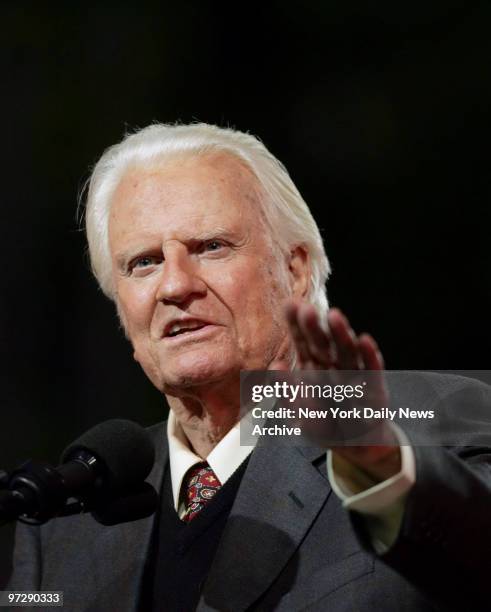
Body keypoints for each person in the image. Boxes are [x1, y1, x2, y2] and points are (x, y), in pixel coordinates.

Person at [8, 124, 490, 611]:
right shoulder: (66, 518)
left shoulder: (436, 421)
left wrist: (379, 464)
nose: (174, 286)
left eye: (210, 247)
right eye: (144, 262)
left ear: (295, 271)